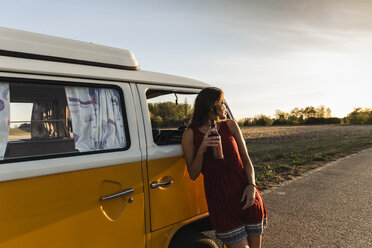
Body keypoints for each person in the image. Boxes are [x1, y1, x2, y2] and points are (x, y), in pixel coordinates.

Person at [182, 87, 267, 248]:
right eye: (222, 102)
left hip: (246, 194)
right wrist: (202, 148)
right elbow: (193, 174)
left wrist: (252, 186)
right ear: (211, 106)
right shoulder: (190, 134)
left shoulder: (231, 125)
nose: (226, 106)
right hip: (220, 200)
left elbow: (247, 161)